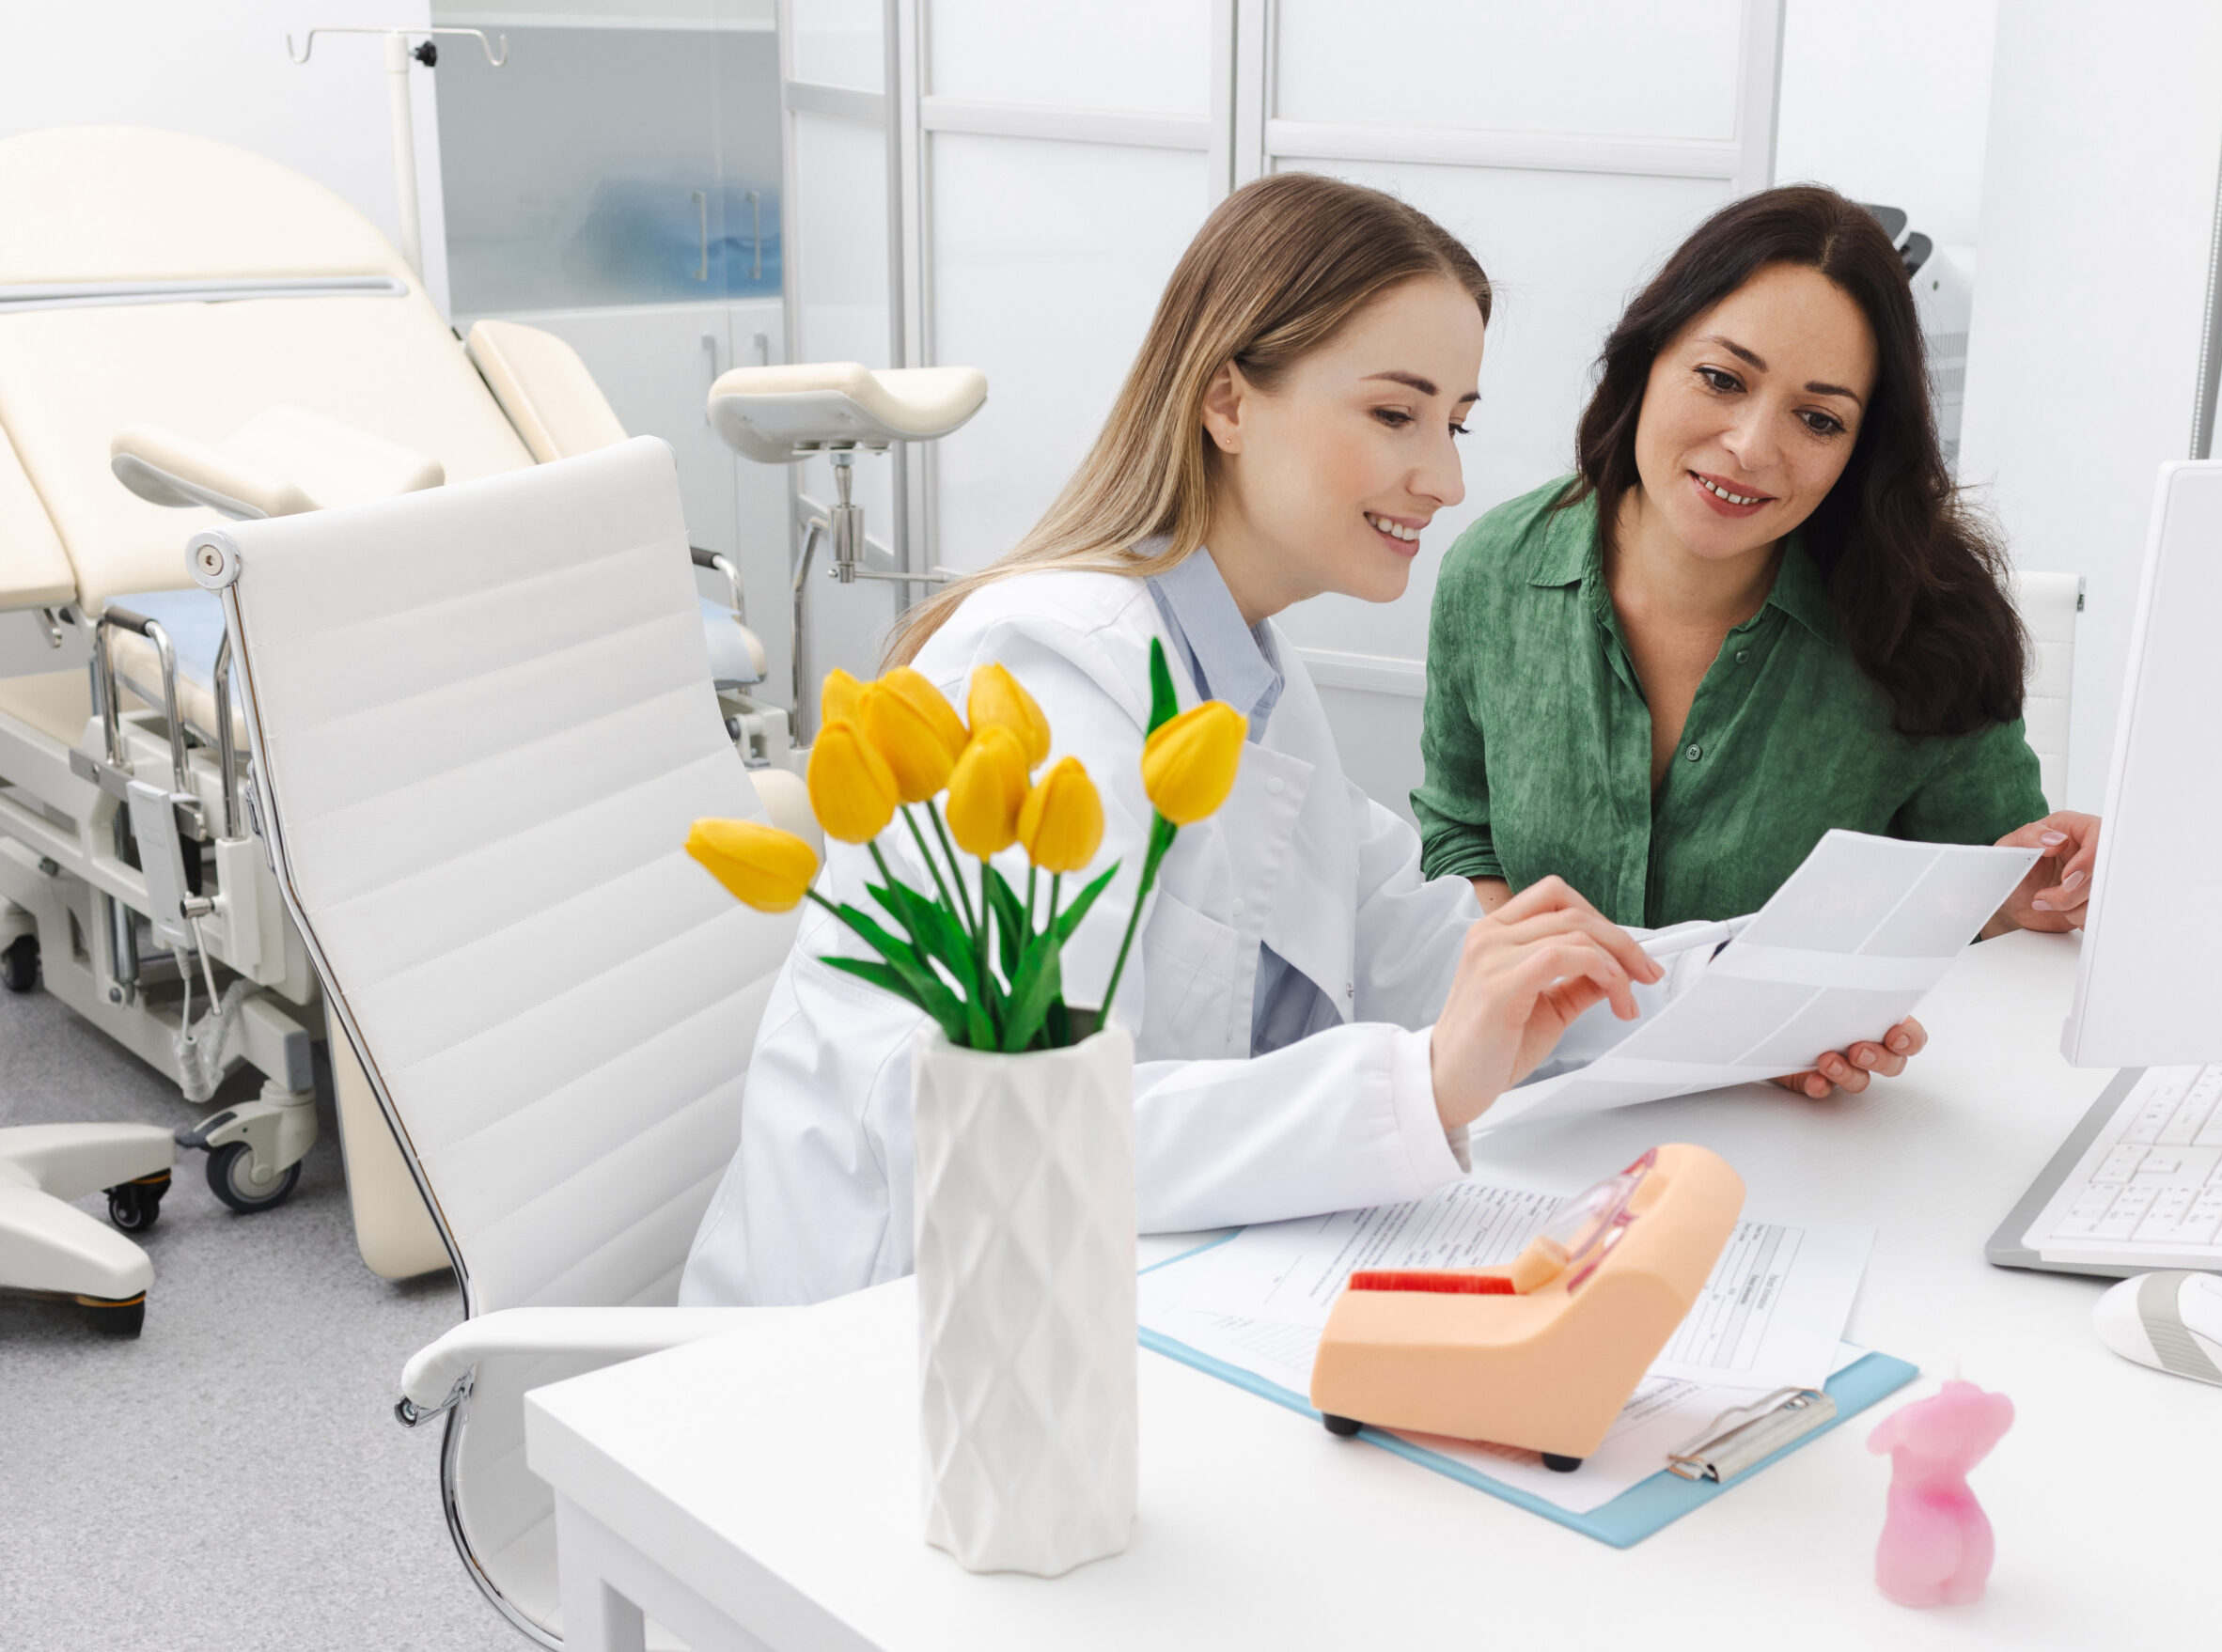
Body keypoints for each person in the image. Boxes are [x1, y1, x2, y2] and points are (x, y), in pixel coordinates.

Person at [681, 175, 1922, 1309]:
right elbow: (1010, 1126)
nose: (1441, 477)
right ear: (1228, 398)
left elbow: (1429, 946)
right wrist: (1426, 1082)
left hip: (1115, 1295)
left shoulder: (1248, 675)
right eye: (1397, 414)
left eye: (1458, 423)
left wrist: (1773, 994)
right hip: (888, 1336)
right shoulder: (1043, 674)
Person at [1416, 187, 2099, 1102]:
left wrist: (2039, 894)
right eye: (1722, 378)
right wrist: (1543, 1011)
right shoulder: (1491, 571)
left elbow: (1980, 901)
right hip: (1532, 1106)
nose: (1748, 446)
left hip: (1797, 1134)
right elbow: (1461, 835)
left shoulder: (1930, 622)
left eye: (1817, 419)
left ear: (1860, 447)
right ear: (1647, 357)